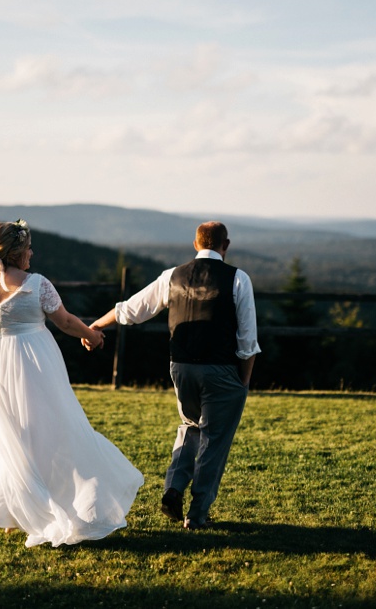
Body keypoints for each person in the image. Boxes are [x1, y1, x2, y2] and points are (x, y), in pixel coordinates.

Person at [0, 219, 143, 547]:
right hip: (34, 371)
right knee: (49, 435)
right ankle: (43, 508)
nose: (32, 252)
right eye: (27, 247)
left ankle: (12, 515)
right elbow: (67, 322)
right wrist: (91, 336)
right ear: (15, 252)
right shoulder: (37, 284)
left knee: (5, 438)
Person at [87, 221, 260, 530]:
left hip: (180, 367)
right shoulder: (238, 279)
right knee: (215, 440)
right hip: (222, 370)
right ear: (226, 245)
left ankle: (173, 487)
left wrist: (97, 325)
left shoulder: (172, 276)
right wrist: (243, 382)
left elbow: (131, 310)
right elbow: (247, 341)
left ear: (196, 245)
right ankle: (196, 513)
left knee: (191, 427)